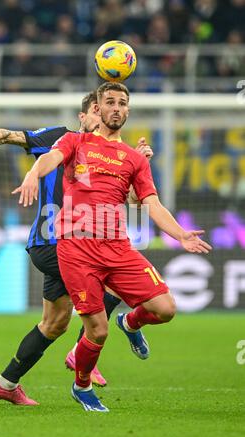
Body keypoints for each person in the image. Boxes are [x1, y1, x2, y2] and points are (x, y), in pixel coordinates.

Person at [14, 82, 212, 412]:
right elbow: (51, 157)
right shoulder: (76, 141)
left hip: (117, 247)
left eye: (122, 102)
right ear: (98, 109)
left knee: (166, 309)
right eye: (110, 102)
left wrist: (180, 235)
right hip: (76, 249)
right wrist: (34, 173)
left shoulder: (134, 158)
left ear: (128, 111)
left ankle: (131, 323)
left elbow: (151, 203)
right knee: (97, 331)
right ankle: (82, 386)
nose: (116, 107)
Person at [0, 91, 153, 405]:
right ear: (83, 116)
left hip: (79, 244)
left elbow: (135, 202)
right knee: (117, 278)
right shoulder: (62, 138)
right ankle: (82, 356)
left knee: (55, 322)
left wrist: (141, 161)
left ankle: (6, 383)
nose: (103, 114)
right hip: (54, 242)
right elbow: (8, 135)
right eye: (96, 109)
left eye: (108, 107)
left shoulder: (114, 155)